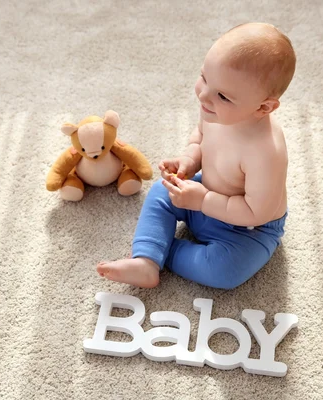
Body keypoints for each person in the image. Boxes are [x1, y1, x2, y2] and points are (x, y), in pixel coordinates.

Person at [97, 22, 296, 289]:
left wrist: (203, 201)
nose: (203, 95)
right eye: (204, 78)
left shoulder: (266, 151)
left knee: (225, 272)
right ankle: (146, 261)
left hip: (247, 230)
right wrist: (190, 159)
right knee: (161, 191)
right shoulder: (217, 111)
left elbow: (255, 211)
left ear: (263, 107)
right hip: (203, 195)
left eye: (222, 95)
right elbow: (200, 138)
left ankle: (164, 250)